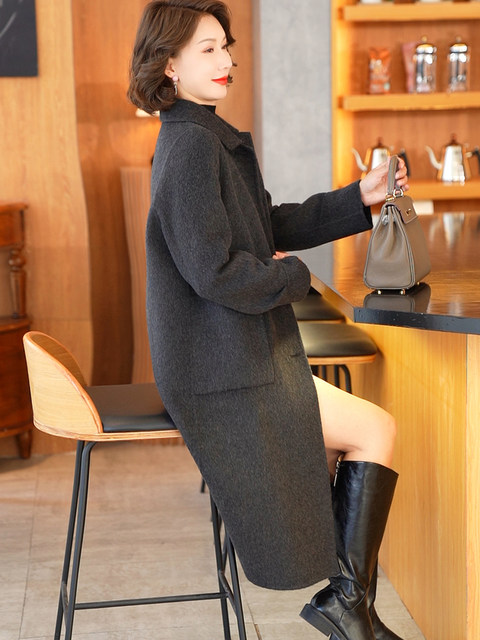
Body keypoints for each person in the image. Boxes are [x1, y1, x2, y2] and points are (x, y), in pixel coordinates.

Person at [127, 2, 408, 639]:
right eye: (207, 50)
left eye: (225, 46)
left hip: (233, 354)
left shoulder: (203, 135)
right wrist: (294, 278)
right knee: (376, 429)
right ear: (168, 64)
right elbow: (215, 272)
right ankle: (348, 605)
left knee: (360, 434)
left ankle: (349, 604)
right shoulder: (190, 146)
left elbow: (266, 225)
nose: (225, 61)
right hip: (220, 369)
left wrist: (357, 200)